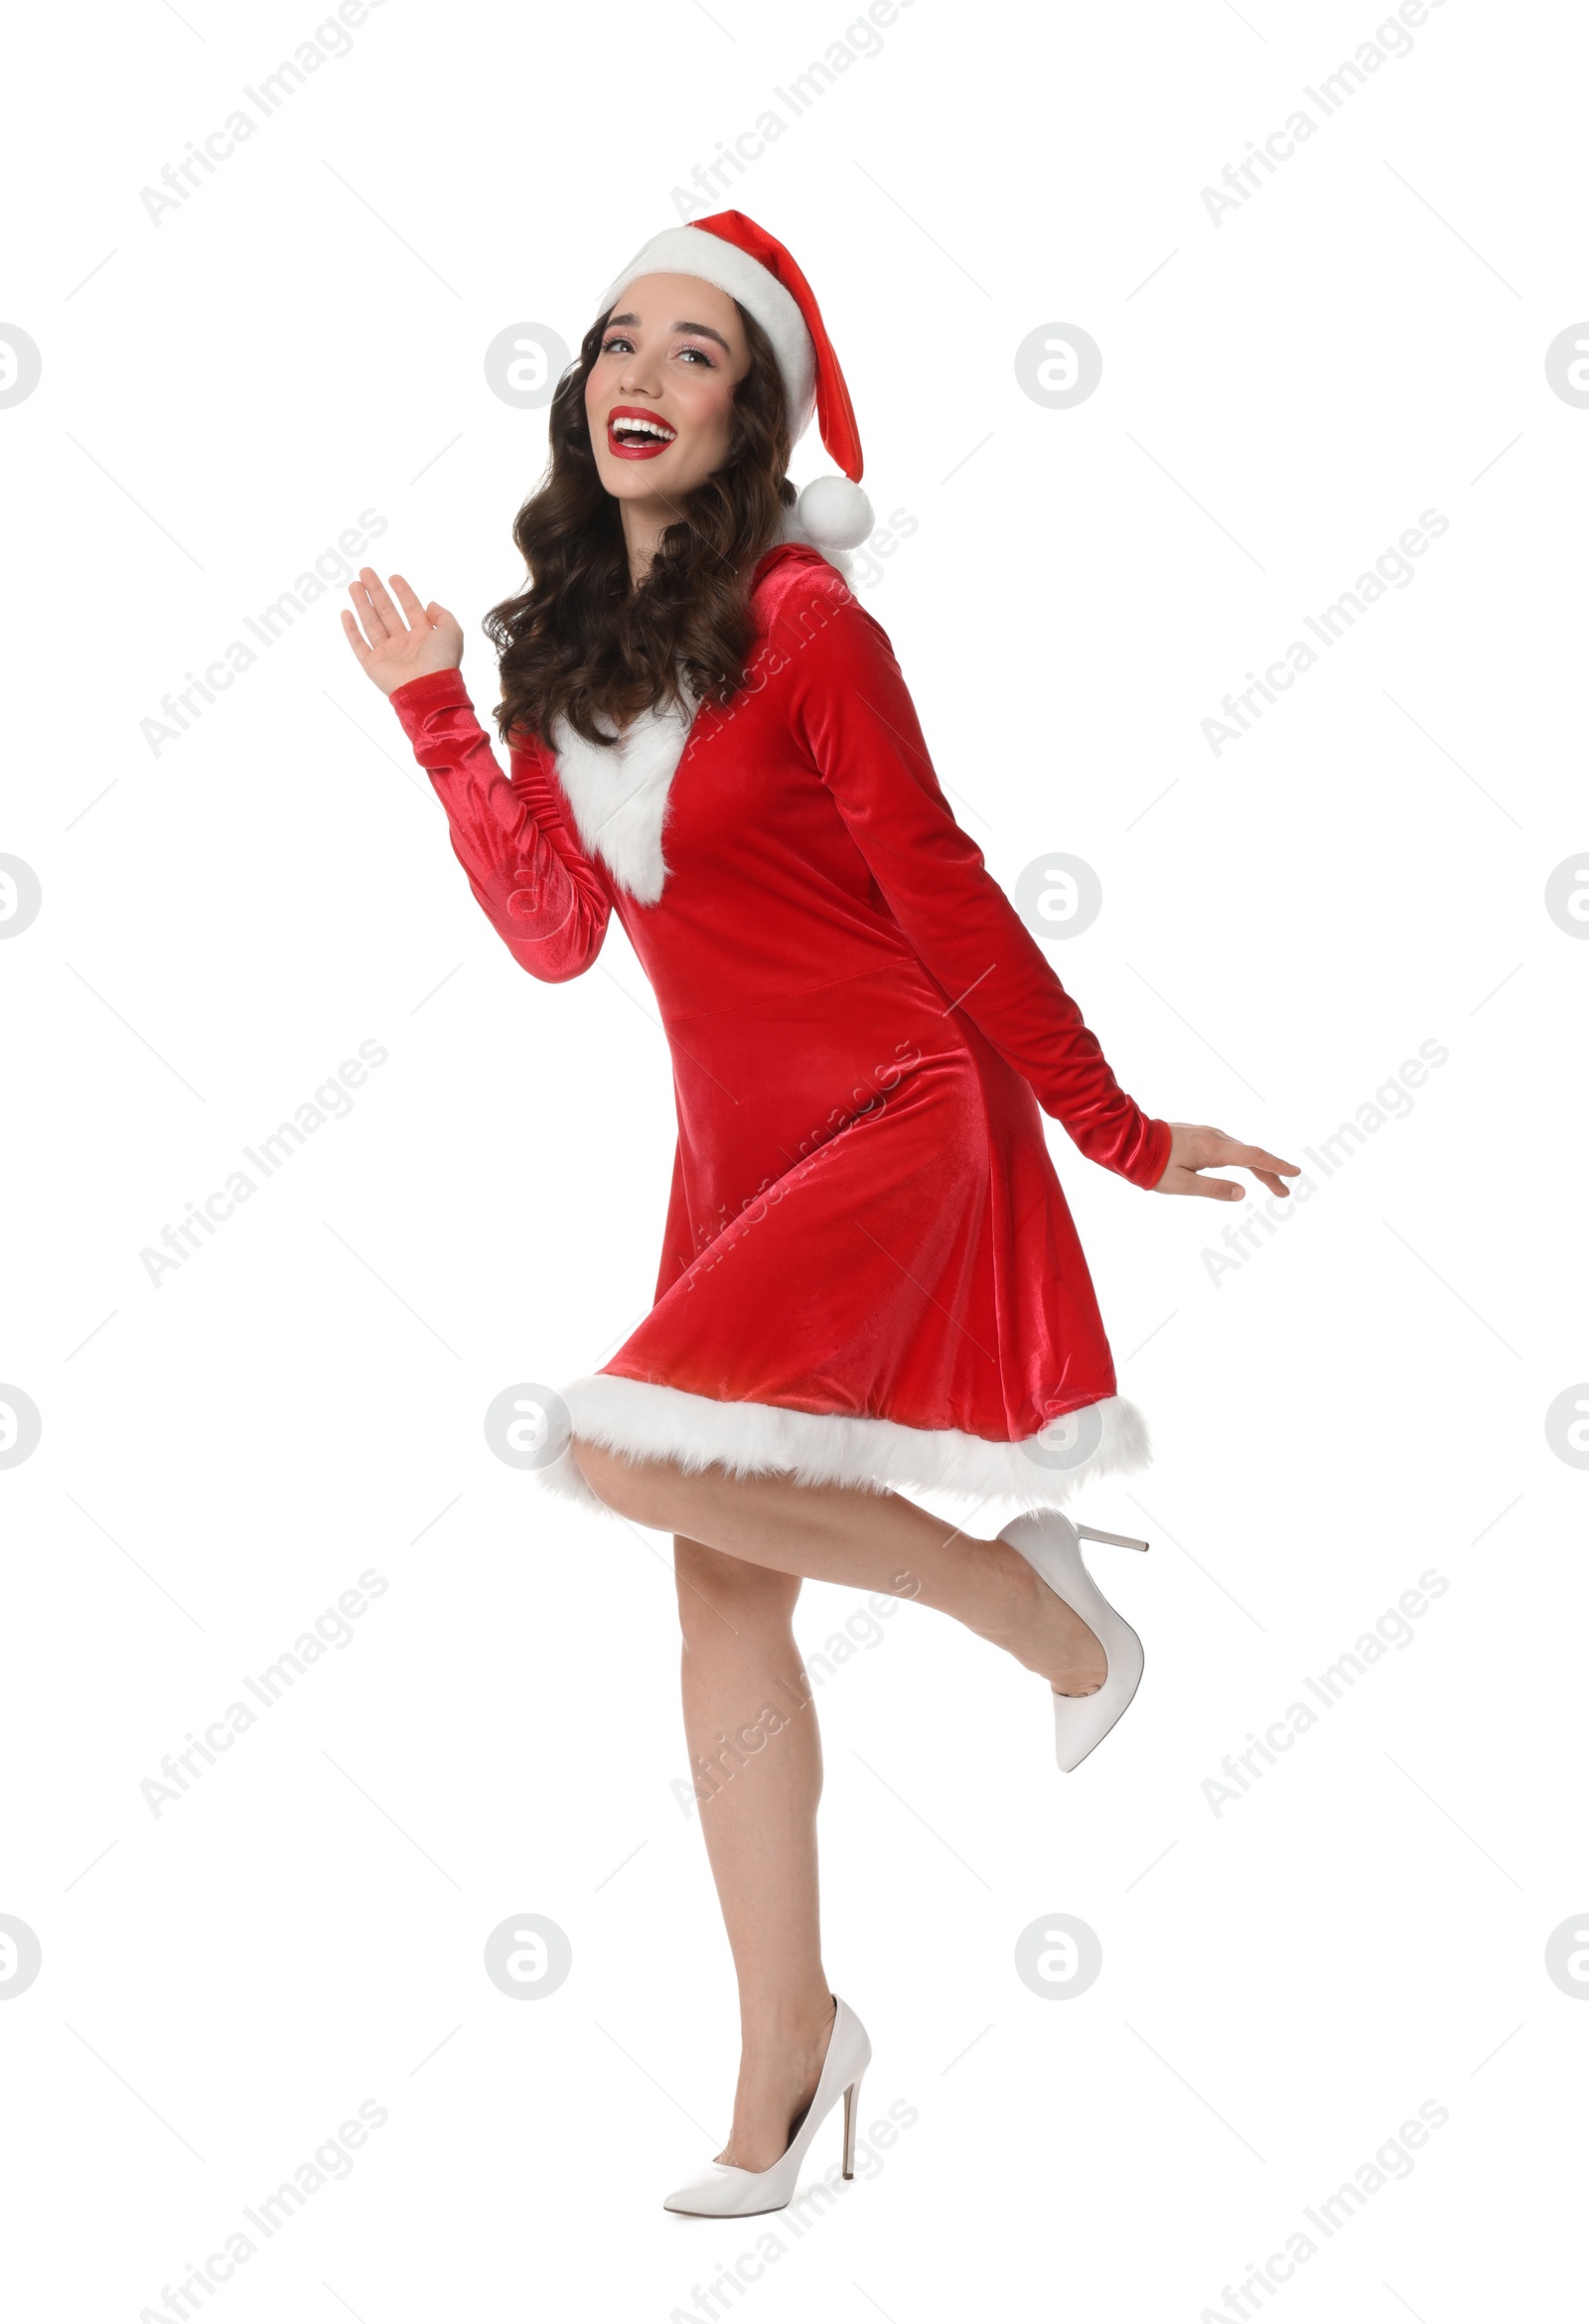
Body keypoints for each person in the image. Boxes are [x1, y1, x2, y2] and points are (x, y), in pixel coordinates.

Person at [342, 211, 1297, 2220]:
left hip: (894, 1104)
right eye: (616, 338)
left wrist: (1119, 1134)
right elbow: (548, 938)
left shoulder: (811, 628)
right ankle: (789, 2057)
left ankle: (1030, 1607)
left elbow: (943, 891)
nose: (638, 371)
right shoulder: (568, 662)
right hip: (727, 1157)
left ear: (751, 409)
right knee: (708, 1575)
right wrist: (438, 711)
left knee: (612, 1449)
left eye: (692, 350)